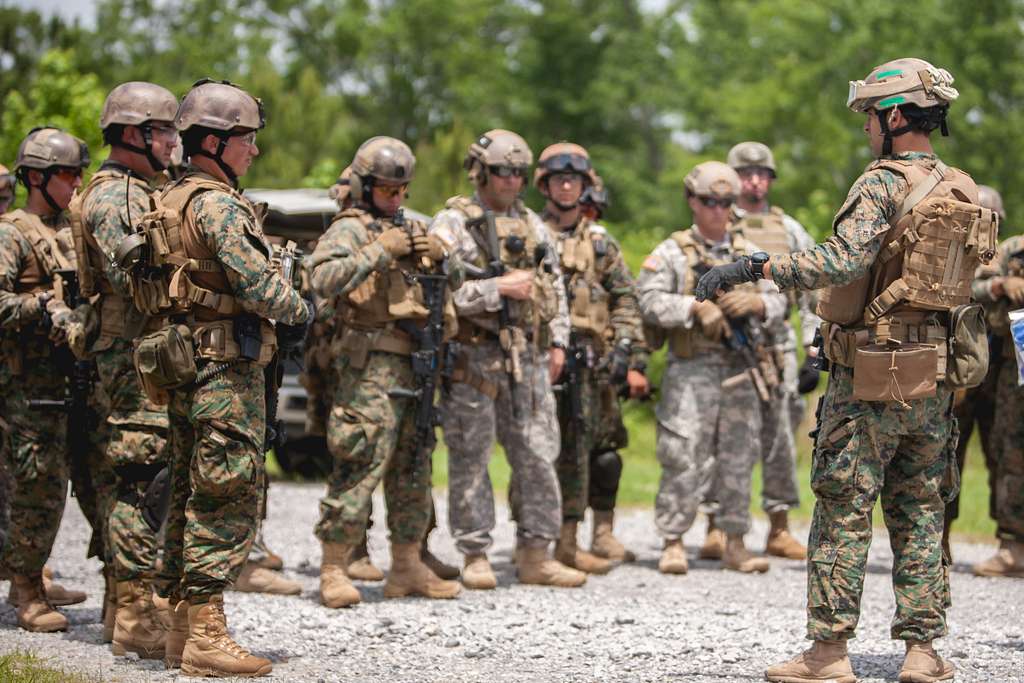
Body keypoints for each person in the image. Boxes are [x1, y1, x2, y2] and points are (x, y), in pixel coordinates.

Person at [697, 58, 994, 683]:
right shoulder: (962, 186)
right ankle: (922, 651)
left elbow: (840, 260)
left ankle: (828, 654)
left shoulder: (881, 182)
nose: (864, 131)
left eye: (868, 119)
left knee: (844, 507)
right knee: (920, 509)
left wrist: (754, 268)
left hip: (870, 377)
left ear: (893, 117)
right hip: (934, 378)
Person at [143, 79, 310, 677]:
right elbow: (262, 288)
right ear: (214, 141)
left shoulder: (170, 196)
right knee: (225, 493)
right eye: (247, 139)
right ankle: (207, 633)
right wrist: (302, 304)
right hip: (223, 371)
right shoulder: (216, 203)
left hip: (187, 365)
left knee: (190, 491)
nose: (254, 151)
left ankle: (181, 629)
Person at [307, 136, 463, 607]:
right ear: (363, 186)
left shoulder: (412, 228)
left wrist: (439, 255)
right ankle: (335, 565)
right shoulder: (350, 229)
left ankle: (408, 564)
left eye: (402, 191)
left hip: (417, 363)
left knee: (414, 464)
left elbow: (451, 280)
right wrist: (382, 250)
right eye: (386, 191)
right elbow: (322, 278)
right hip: (369, 363)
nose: (395, 200)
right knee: (360, 458)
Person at [430, 129, 585, 589]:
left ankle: (536, 552)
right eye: (503, 172)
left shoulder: (534, 225)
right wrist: (495, 289)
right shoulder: (453, 223)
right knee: (470, 457)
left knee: (539, 453)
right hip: (473, 358)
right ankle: (475, 552)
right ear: (480, 171)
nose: (512, 181)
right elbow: (437, 291)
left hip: (528, 356)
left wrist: (558, 341)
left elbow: (554, 286)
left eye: (519, 172)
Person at [70, 81, 180, 658]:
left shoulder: (139, 190)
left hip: (138, 356)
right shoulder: (118, 197)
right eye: (166, 131)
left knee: (136, 478)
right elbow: (137, 278)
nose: (173, 142)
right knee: (139, 480)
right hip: (132, 360)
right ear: (136, 134)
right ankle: (136, 613)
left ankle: (122, 605)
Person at [534, 142, 648, 572]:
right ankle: (552, 540)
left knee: (602, 452)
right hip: (545, 363)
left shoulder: (600, 243)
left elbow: (626, 299)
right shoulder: (530, 233)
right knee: (550, 452)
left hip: (595, 365)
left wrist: (625, 350)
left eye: (575, 180)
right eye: (559, 179)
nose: (567, 186)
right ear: (544, 184)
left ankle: (594, 535)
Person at [0, 127, 91, 632]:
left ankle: (33, 574)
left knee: (65, 488)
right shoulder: (11, 233)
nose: (78, 181)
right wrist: (42, 307)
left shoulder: (73, 230)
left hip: (70, 381)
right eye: (67, 173)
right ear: (35, 176)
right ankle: (28, 591)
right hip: (25, 388)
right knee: (37, 488)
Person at [714, 140, 819, 562]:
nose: (754, 181)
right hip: (726, 347)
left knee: (780, 440)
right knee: (720, 438)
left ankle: (778, 525)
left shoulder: (788, 229)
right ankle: (714, 526)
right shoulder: (717, 220)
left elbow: (815, 288)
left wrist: (815, 346)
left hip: (777, 347)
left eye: (762, 174)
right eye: (745, 173)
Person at [967, 190, 1024, 579]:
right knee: (1011, 453)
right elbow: (971, 287)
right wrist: (1003, 286)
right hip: (1014, 370)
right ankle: (1013, 547)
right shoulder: (1014, 250)